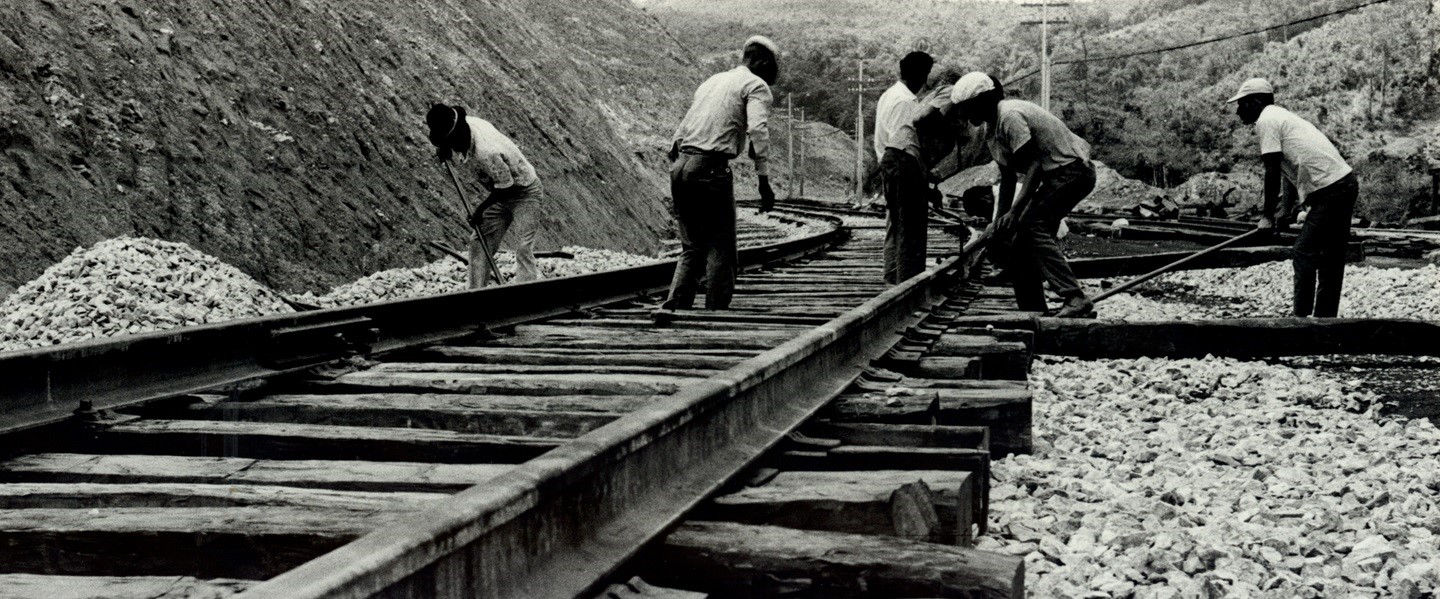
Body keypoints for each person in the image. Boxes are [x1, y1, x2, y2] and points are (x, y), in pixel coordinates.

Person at [950, 72, 1096, 317]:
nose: (965, 116)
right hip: (1056, 175)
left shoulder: (1009, 116)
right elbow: (1007, 180)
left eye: (968, 108)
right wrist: (999, 223)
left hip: (1073, 171)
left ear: (983, 101)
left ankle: (1075, 297)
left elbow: (1034, 167)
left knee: (1032, 225)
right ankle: (1034, 311)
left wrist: (1015, 213)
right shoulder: (991, 131)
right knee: (1020, 241)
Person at [658, 35, 778, 312]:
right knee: (721, 247)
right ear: (760, 60)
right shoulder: (755, 85)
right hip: (710, 168)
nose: (771, 76)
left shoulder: (711, 82)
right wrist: (763, 180)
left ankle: (675, 307)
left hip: (682, 166)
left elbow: (679, 134)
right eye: (771, 68)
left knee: (691, 247)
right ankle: (715, 312)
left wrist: (683, 165)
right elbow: (758, 131)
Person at [1228, 77, 1357, 317]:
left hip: (1332, 189)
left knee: (1303, 251)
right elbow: (1290, 172)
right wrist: (1285, 212)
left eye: (1242, 104)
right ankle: (1324, 322)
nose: (1238, 111)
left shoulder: (1266, 120)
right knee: (1330, 258)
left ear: (1256, 101)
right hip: (1344, 183)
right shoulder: (1280, 117)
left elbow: (1272, 170)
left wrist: (1266, 216)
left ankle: (1302, 321)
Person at [426, 103, 542, 289]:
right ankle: (476, 294)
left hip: (525, 191)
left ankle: (525, 292)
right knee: (479, 242)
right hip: (502, 192)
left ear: (456, 135)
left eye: (449, 142)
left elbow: (505, 188)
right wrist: (444, 147)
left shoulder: (487, 152)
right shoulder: (465, 126)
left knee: (523, 247)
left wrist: (479, 211)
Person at [874, 52, 939, 284]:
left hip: (888, 165)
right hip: (902, 167)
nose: (927, 81)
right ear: (921, 74)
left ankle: (892, 278)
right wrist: (923, 175)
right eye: (927, 75)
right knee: (909, 230)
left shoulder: (888, 95)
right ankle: (905, 282)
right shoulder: (907, 101)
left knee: (896, 225)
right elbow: (904, 143)